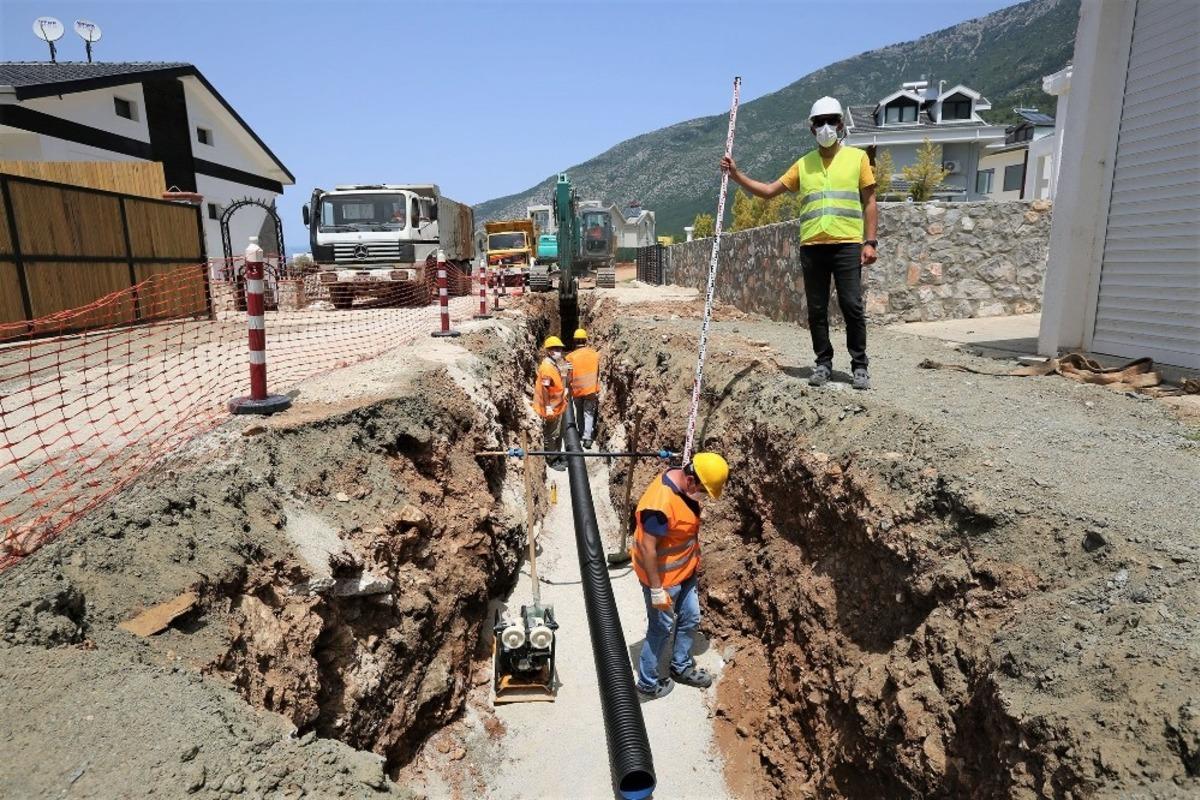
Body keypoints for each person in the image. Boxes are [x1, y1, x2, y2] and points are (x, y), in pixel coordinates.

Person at [721, 96, 878, 390]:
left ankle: (859, 366)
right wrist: (736, 175)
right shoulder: (803, 165)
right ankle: (823, 363)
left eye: (831, 121)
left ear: (840, 124)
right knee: (816, 309)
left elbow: (870, 202)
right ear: (812, 128)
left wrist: (870, 242)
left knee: (852, 306)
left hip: (846, 244)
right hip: (813, 246)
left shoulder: (858, 159)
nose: (826, 127)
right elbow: (769, 191)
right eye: (820, 122)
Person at [631, 452, 729, 698]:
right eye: (704, 491)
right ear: (691, 480)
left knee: (691, 617)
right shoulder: (659, 506)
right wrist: (656, 590)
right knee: (660, 628)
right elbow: (647, 548)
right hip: (662, 580)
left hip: (685, 572)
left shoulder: (682, 484)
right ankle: (647, 683)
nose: (704, 497)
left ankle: (680, 666)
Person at [532, 336, 568, 470]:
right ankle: (552, 460)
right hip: (551, 408)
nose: (559, 351)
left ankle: (557, 454)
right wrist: (548, 407)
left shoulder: (553, 364)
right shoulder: (547, 368)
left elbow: (556, 381)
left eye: (560, 349)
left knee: (558, 433)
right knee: (552, 435)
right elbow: (545, 388)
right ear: (549, 351)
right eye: (556, 349)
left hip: (558, 406)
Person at [564, 328, 600, 448]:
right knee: (589, 413)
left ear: (574, 341)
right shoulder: (595, 354)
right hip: (591, 389)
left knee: (579, 411)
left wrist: (567, 387)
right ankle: (587, 438)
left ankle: (580, 433)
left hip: (577, 390)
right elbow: (598, 372)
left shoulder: (570, 357)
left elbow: (569, 375)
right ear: (586, 340)